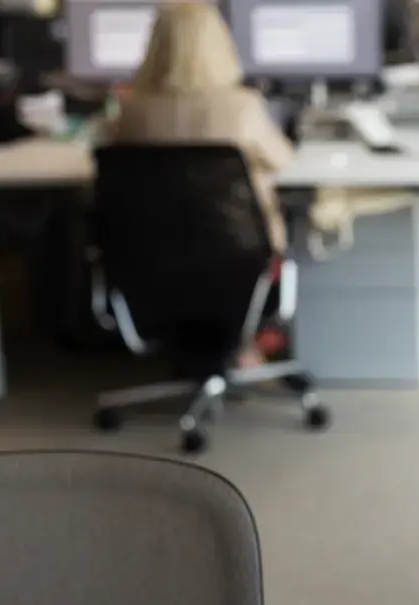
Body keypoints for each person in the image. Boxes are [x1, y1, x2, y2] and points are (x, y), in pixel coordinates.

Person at [108, 1, 294, 363]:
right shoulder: (242, 107)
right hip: (239, 262)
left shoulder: (132, 112)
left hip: (149, 266)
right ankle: (246, 346)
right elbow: (284, 162)